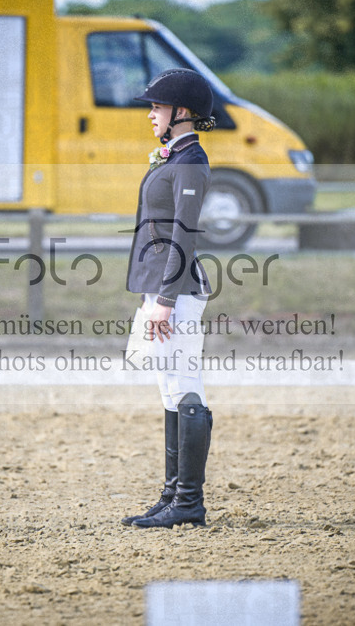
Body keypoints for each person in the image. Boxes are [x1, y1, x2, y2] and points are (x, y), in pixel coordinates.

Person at [120, 68, 216, 529]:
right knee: (168, 389)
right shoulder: (174, 157)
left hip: (174, 294)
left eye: (157, 107)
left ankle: (189, 503)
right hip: (159, 290)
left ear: (181, 113)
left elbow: (185, 232)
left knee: (183, 387)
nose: (151, 114)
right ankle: (171, 495)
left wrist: (165, 299)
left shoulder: (191, 161)